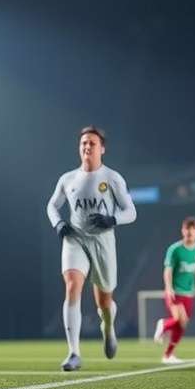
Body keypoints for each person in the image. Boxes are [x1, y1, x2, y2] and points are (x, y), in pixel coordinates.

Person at [46, 125, 137, 371]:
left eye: (92, 143)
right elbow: (52, 205)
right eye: (84, 143)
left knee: (104, 302)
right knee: (72, 286)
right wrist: (58, 224)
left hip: (102, 242)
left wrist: (112, 219)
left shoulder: (112, 178)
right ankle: (73, 353)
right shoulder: (67, 179)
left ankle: (108, 327)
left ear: (102, 149)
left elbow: (131, 211)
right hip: (75, 238)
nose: (87, 146)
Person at [153, 216, 195, 363]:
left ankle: (168, 355)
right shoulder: (175, 249)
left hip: (188, 293)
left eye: (193, 229)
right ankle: (163, 324)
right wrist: (168, 287)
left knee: (182, 324)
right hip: (175, 292)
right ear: (182, 230)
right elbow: (168, 270)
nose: (190, 232)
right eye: (187, 229)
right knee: (179, 319)